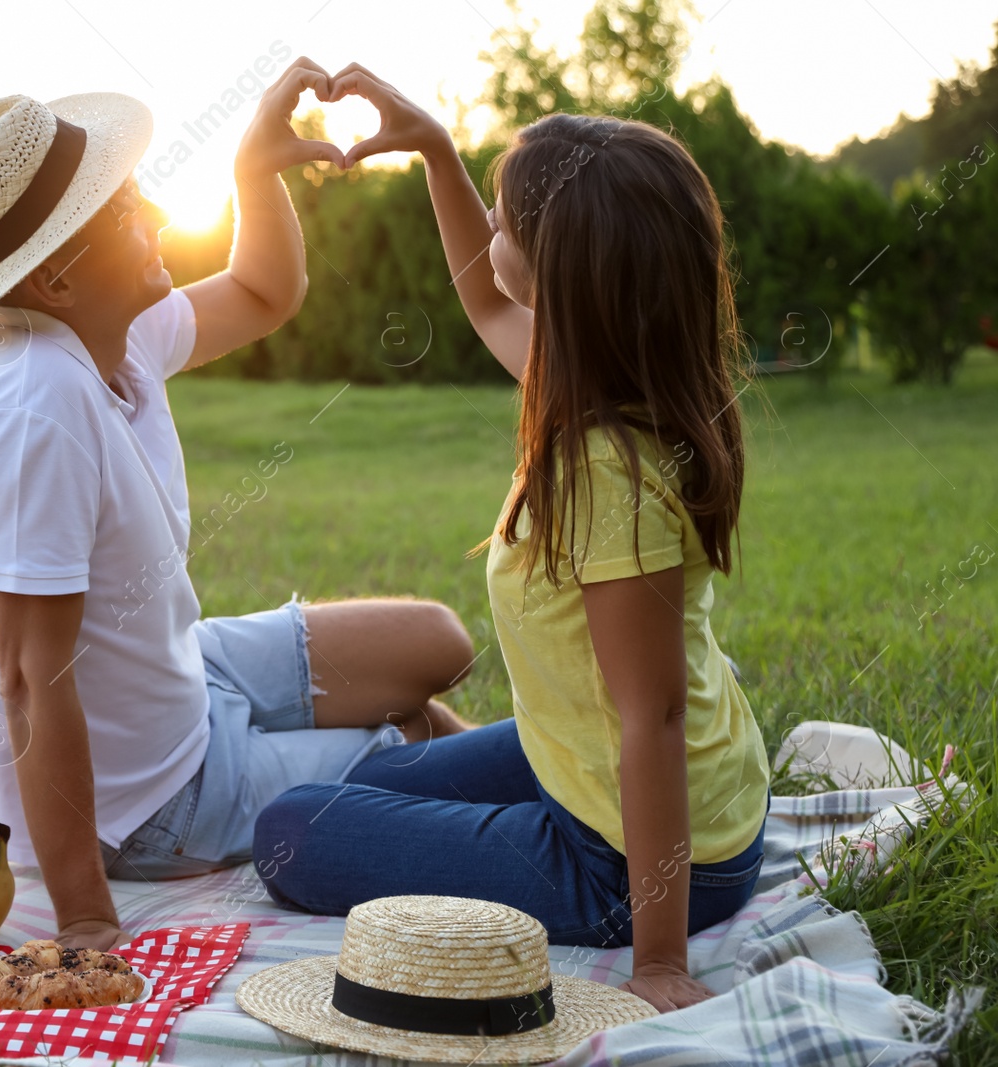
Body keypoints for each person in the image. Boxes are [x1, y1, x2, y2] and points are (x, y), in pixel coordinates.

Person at [0, 60, 476, 953]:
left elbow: (262, 292)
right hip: (150, 797)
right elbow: (26, 683)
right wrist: (89, 917)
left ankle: (523, 781)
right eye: (129, 210)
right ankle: (569, 809)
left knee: (440, 644)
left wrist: (254, 173)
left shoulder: (111, 332)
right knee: (415, 751)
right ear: (57, 278)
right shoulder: (29, 411)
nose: (160, 216)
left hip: (187, 675)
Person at [254, 64, 772, 1015]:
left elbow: (650, 720)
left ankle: (564, 865)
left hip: (633, 858)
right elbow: (488, 301)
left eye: (502, 220)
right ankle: (515, 822)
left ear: (559, 267)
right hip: (582, 769)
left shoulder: (608, 472)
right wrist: (436, 152)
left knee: (291, 830)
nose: (489, 233)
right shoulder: (599, 375)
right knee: (369, 781)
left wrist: (656, 958)